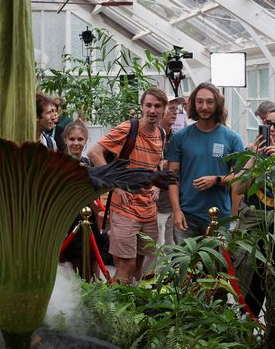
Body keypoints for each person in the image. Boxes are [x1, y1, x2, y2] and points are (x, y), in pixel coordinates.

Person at [87, 88, 167, 282]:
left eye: (157, 106)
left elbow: (158, 161)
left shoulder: (161, 133)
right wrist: (115, 184)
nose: (152, 110)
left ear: (164, 109)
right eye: (148, 105)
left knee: (140, 261)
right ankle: (116, 310)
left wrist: (156, 183)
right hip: (125, 207)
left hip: (148, 209)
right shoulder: (128, 129)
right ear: (142, 107)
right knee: (126, 263)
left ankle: (133, 304)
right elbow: (94, 153)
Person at [231, 105, 275, 323]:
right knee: (250, 291)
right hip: (253, 230)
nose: (272, 129)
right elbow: (239, 188)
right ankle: (246, 342)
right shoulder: (251, 153)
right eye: (268, 124)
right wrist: (254, 158)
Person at [165, 82, 244, 242]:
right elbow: (172, 177)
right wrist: (177, 211)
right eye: (199, 101)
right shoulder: (180, 137)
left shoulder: (232, 138)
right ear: (193, 104)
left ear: (217, 104)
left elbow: (240, 176)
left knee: (216, 266)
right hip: (187, 216)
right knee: (186, 265)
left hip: (218, 217)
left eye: (209, 101)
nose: (204, 106)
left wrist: (216, 179)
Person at [58, 121, 107, 276]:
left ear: (85, 141)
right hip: (66, 218)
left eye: (80, 139)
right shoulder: (58, 164)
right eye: (72, 139)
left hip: (88, 215)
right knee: (69, 262)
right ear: (65, 140)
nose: (76, 143)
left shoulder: (88, 163)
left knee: (92, 257)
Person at [155, 96, 184, 247]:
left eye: (177, 110)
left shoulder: (177, 138)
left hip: (173, 202)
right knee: (155, 249)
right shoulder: (152, 136)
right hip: (155, 204)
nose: (175, 113)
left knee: (170, 247)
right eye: (171, 109)